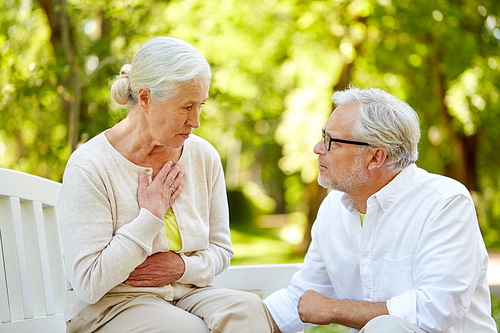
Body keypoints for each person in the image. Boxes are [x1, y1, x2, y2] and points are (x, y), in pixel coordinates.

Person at [58, 36, 273, 333]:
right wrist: (150, 217)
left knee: (250, 310)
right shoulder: (90, 165)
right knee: (184, 329)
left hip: (188, 293)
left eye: (201, 106)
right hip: (112, 306)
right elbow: (88, 282)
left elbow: (221, 249)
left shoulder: (203, 156)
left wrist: (184, 268)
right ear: (145, 98)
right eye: (186, 107)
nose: (196, 121)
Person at [264, 87, 497, 333]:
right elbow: (304, 299)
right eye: (323, 135)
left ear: (375, 158)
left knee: (386, 328)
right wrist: (240, 314)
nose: (317, 148)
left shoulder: (445, 202)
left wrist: (333, 309)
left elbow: (434, 311)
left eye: (331, 141)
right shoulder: (333, 207)